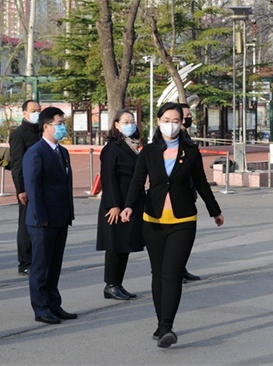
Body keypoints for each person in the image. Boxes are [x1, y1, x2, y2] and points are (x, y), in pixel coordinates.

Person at [120, 102, 224, 348]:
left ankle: (167, 325)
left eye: (176, 120)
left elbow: (201, 183)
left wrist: (215, 211)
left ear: (182, 123)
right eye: (167, 119)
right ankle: (160, 322)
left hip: (183, 220)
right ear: (158, 121)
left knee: (172, 272)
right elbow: (137, 182)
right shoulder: (148, 151)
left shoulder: (191, 151)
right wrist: (128, 206)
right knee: (158, 273)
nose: (171, 124)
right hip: (153, 220)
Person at [22, 106, 77, 324]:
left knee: (54, 266)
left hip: (60, 218)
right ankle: (41, 308)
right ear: (46, 126)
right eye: (59, 123)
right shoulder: (35, 152)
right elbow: (34, 188)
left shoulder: (61, 152)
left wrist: (69, 214)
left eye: (64, 123)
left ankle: (54, 304)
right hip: (42, 220)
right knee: (41, 267)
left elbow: (65, 185)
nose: (63, 127)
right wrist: (41, 216)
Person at [96, 110, 145, 301]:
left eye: (132, 121)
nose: (130, 125)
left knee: (125, 244)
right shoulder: (112, 148)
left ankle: (118, 283)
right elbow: (108, 178)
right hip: (117, 200)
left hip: (132, 200)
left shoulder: (134, 146)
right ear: (116, 124)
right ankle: (110, 284)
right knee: (115, 245)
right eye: (125, 121)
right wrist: (114, 205)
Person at [9, 99, 41, 276]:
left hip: (43, 186)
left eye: (39, 110)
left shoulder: (42, 132)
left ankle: (38, 258)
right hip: (27, 188)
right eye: (33, 110)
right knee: (26, 224)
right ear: (24, 113)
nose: (37, 113)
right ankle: (25, 262)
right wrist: (20, 188)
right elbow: (16, 165)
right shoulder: (19, 134)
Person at [178, 102, 201, 283]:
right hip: (174, 196)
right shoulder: (173, 139)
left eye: (189, 115)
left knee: (186, 239)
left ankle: (181, 267)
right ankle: (175, 269)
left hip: (189, 192)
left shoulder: (187, 137)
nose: (188, 118)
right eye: (184, 116)